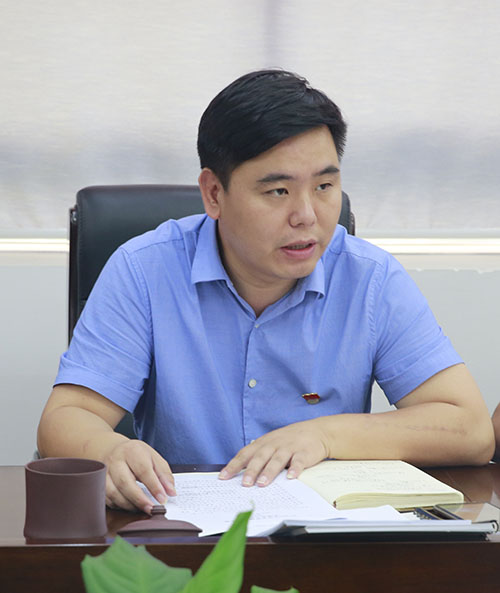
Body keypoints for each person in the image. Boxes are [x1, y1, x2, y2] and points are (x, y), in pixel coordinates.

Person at [37, 69, 494, 514]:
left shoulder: (370, 278)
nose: (307, 215)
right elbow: (66, 416)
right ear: (214, 193)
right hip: (186, 538)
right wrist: (109, 450)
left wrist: (325, 435)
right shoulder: (144, 270)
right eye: (278, 191)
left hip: (326, 542)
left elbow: (471, 430)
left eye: (324, 186)